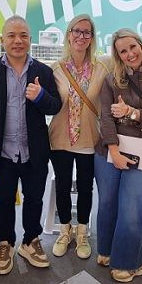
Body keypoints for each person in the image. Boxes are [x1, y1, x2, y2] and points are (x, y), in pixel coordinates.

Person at [0, 16, 61, 275]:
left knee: (34, 198)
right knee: (4, 200)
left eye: (23, 35)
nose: (17, 41)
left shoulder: (43, 72)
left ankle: (30, 241)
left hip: (34, 151)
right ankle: (6, 243)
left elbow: (55, 106)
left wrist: (41, 96)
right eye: (11, 36)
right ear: (3, 40)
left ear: (30, 40)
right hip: (2, 153)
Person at [94, 28, 142, 283]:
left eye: (132, 47)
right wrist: (114, 150)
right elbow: (105, 117)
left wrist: (131, 112)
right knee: (107, 203)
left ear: (141, 45)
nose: (129, 54)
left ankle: (130, 262)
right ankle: (107, 249)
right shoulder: (111, 80)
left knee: (131, 207)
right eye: (123, 51)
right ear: (117, 55)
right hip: (108, 150)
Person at [48, 14, 111, 259]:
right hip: (60, 138)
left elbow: (132, 55)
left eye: (87, 32)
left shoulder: (102, 66)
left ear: (92, 38)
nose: (81, 36)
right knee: (62, 186)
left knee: (86, 187)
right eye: (77, 31)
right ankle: (65, 230)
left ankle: (82, 232)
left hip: (89, 138)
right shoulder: (55, 69)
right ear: (68, 34)